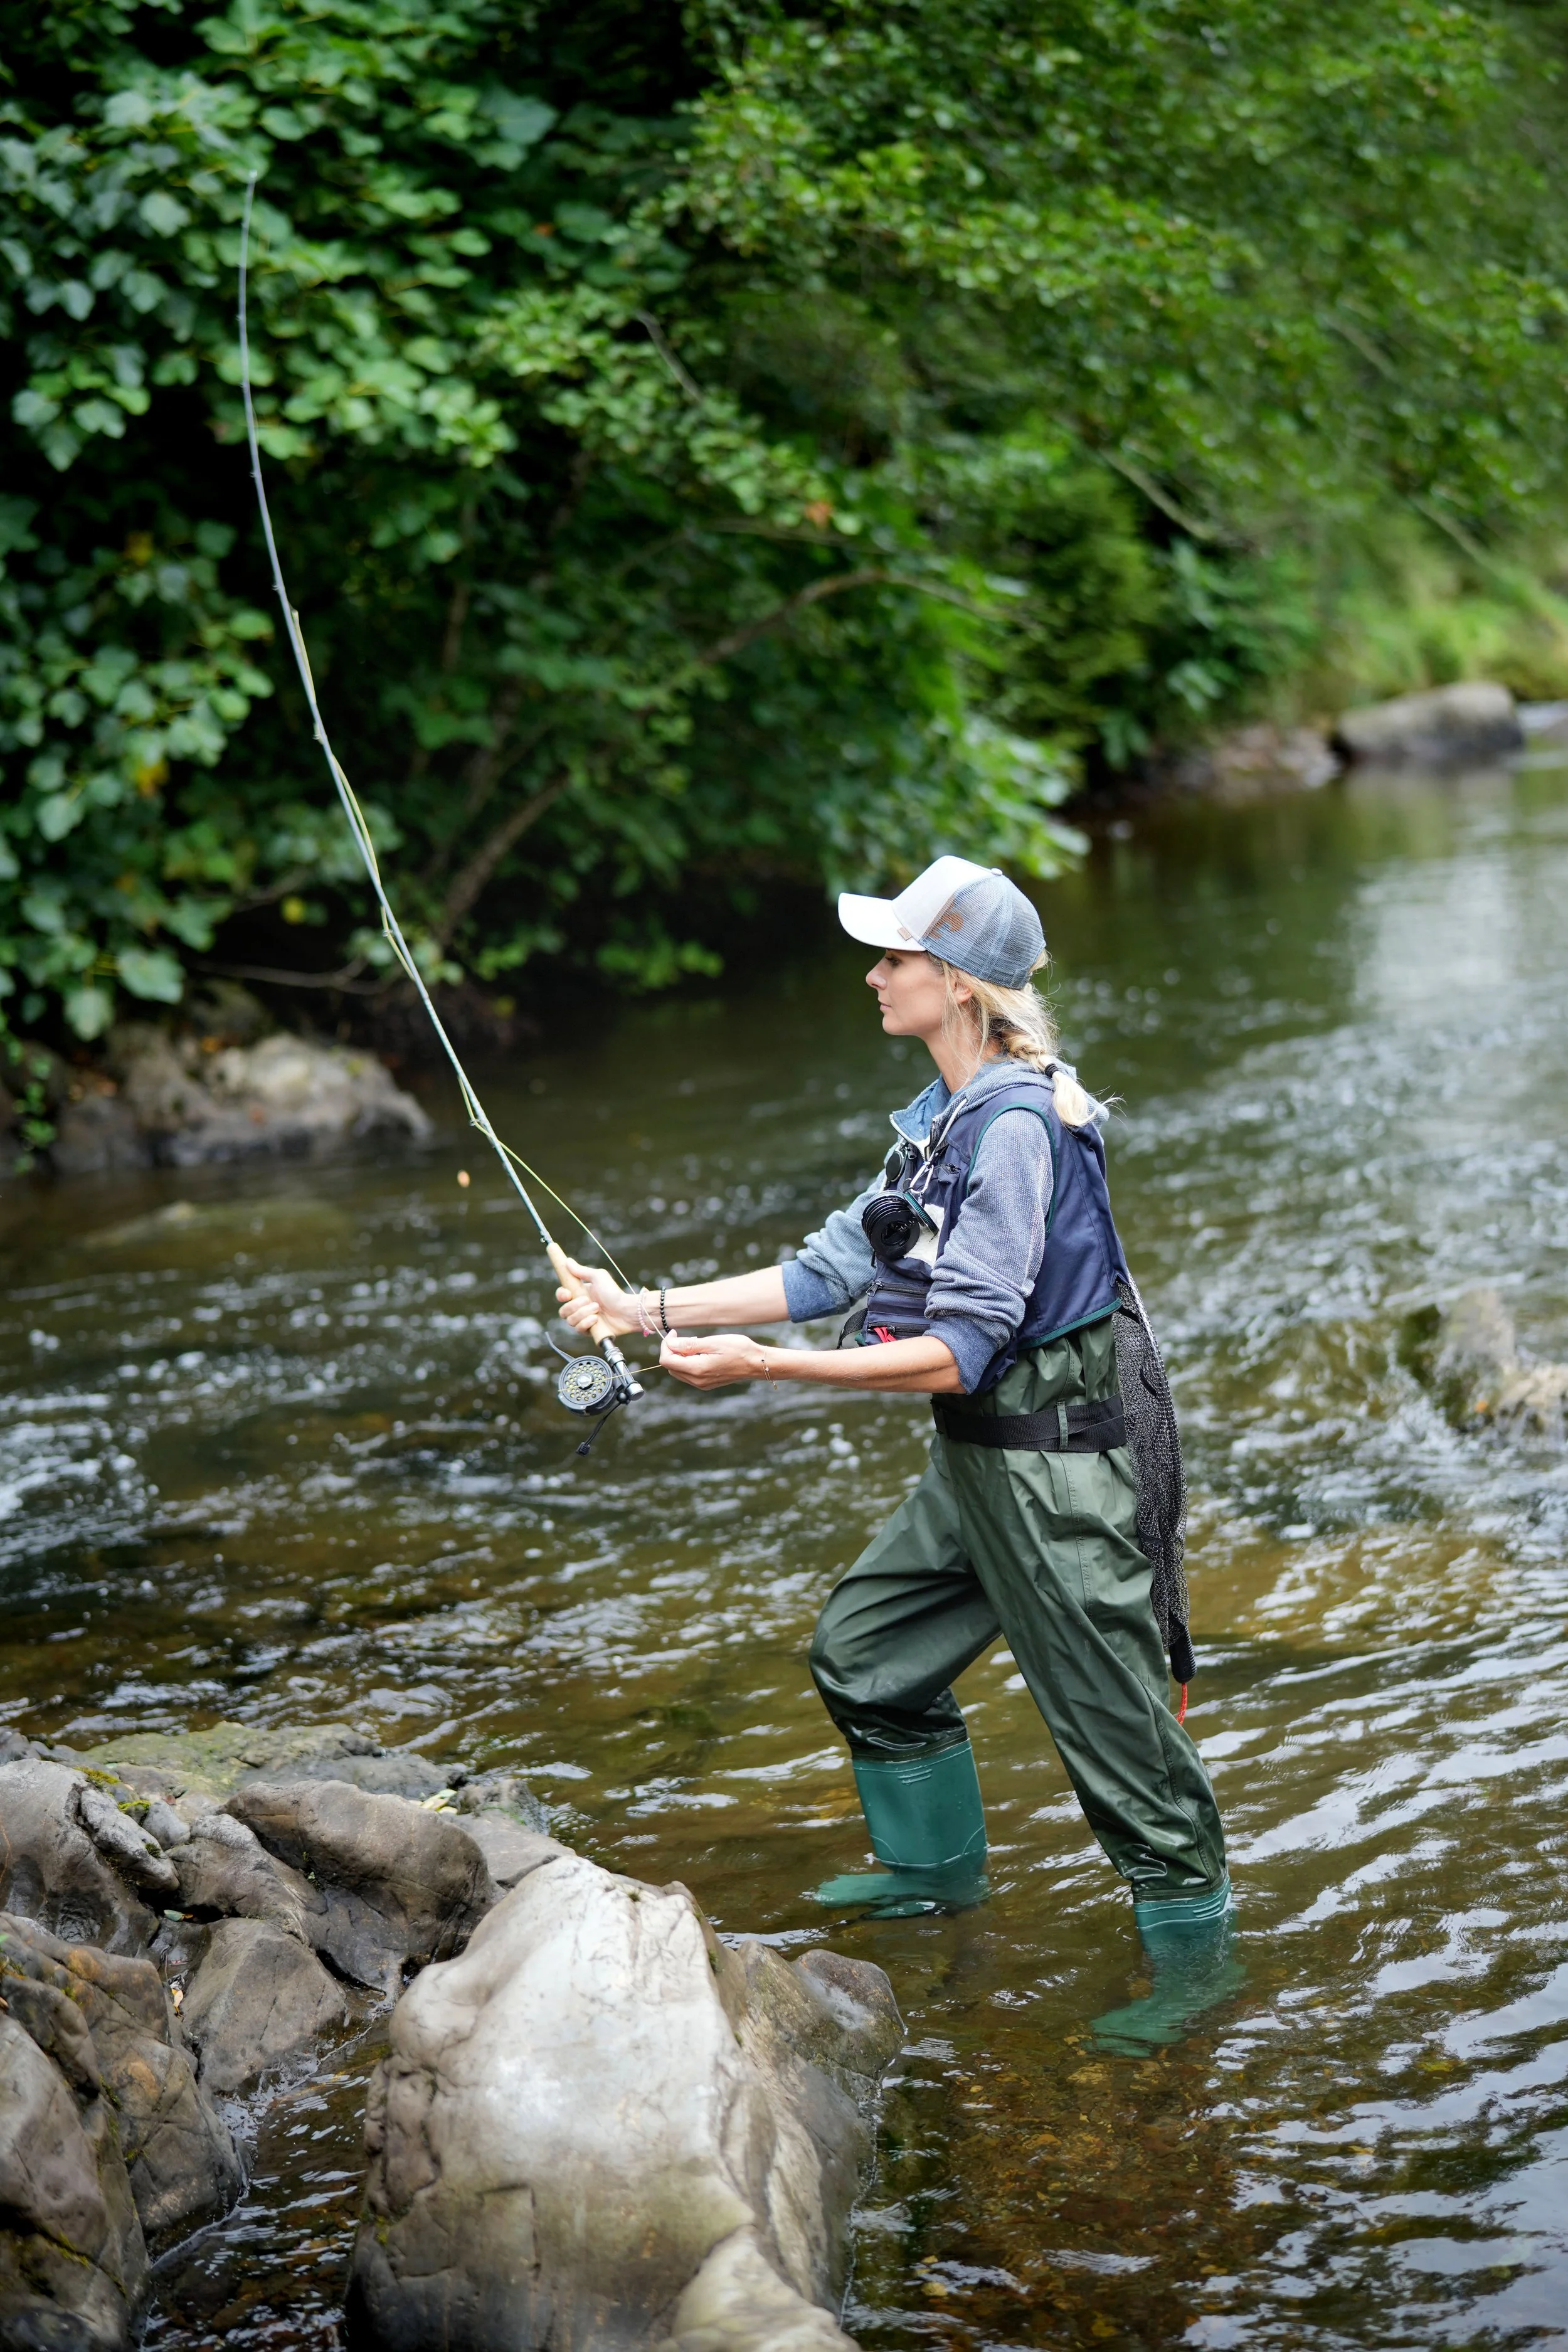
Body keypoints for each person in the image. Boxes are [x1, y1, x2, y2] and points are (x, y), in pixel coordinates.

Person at [558, 856, 1231, 1968]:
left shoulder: (1014, 1128)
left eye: (896, 958)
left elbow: (958, 1353)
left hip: (1052, 1473)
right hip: (977, 1467)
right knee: (866, 1654)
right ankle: (934, 1877)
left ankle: (1198, 1984)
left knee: (1127, 1755)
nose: (873, 976)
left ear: (960, 983)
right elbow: (831, 1267)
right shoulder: (942, 1113)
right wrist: (641, 1307)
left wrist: (766, 1370)